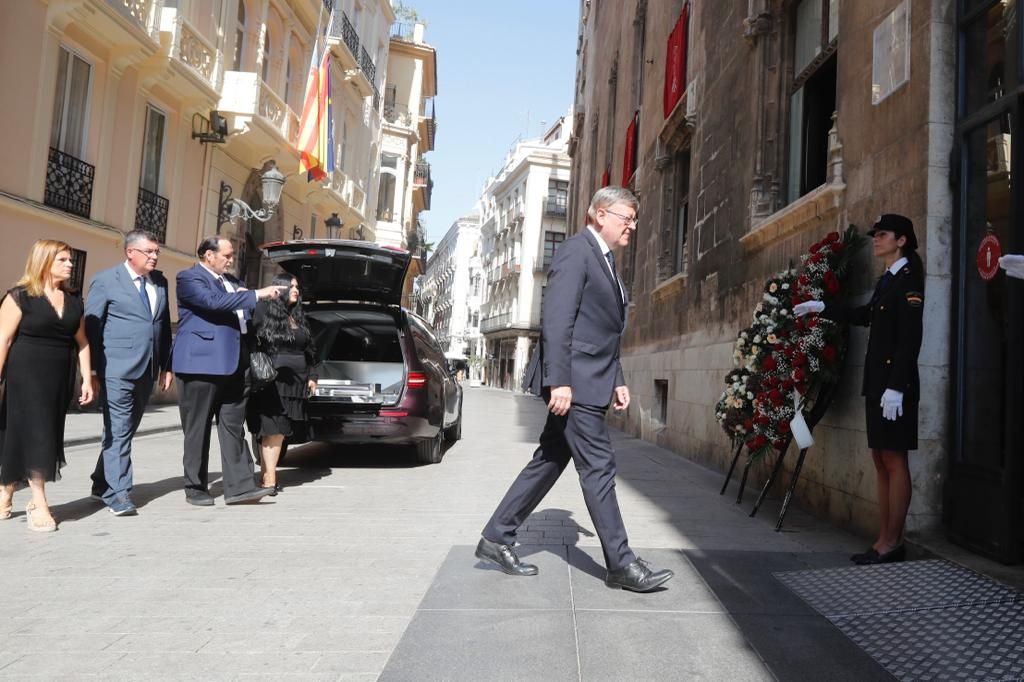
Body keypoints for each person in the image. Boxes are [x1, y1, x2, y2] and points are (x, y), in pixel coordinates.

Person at [476, 186, 674, 593]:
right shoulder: (576, 251)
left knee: (549, 459)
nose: (632, 226)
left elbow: (601, 331)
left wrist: (616, 378)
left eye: (634, 220)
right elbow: (558, 320)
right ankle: (621, 564)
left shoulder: (605, 260)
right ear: (600, 214)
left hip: (592, 377)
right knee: (598, 468)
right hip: (577, 383)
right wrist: (559, 380)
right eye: (627, 218)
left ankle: (496, 537)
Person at [794, 213, 925, 565]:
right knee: (880, 459)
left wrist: (897, 386)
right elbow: (867, 315)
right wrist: (823, 307)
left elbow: (909, 339)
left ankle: (893, 543)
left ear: (901, 240)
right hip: (878, 383)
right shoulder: (889, 280)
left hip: (895, 385)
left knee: (895, 460)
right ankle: (883, 537)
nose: (876, 240)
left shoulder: (910, 279)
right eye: (876, 235)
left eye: (883, 235)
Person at [171, 236, 284, 506]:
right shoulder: (189, 278)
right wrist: (257, 294)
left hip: (236, 365)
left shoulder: (235, 283)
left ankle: (240, 487)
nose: (231, 259)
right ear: (208, 255)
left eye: (232, 255)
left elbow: (247, 316)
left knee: (233, 427)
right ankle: (195, 487)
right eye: (226, 254)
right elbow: (214, 303)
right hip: (201, 365)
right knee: (197, 429)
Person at [0, 239, 94, 531]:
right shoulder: (19, 296)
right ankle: (39, 503)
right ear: (44, 262)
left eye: (70, 260)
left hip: (58, 376)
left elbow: (82, 342)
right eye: (63, 260)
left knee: (39, 432)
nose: (70, 264)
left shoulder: (75, 300)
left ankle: (6, 490)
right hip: (25, 373)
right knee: (37, 433)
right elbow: (3, 339)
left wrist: (87, 378)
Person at [85, 230, 173, 516]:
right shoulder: (106, 280)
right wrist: (93, 371)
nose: (154, 256)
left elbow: (163, 328)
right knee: (119, 430)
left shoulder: (160, 282)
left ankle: (101, 482)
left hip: (147, 369)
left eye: (156, 252)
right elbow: (92, 330)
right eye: (149, 251)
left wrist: (166, 366)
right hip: (116, 368)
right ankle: (118, 493)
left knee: (125, 431)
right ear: (130, 252)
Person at [247, 273, 317, 494]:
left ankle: (267, 475)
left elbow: (310, 350)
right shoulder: (264, 311)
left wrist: (312, 375)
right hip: (272, 380)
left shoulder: (298, 316)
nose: (296, 290)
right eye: (291, 286)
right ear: (280, 288)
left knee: (279, 431)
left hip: (296, 383)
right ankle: (270, 478)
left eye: (297, 287)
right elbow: (251, 341)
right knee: (273, 430)